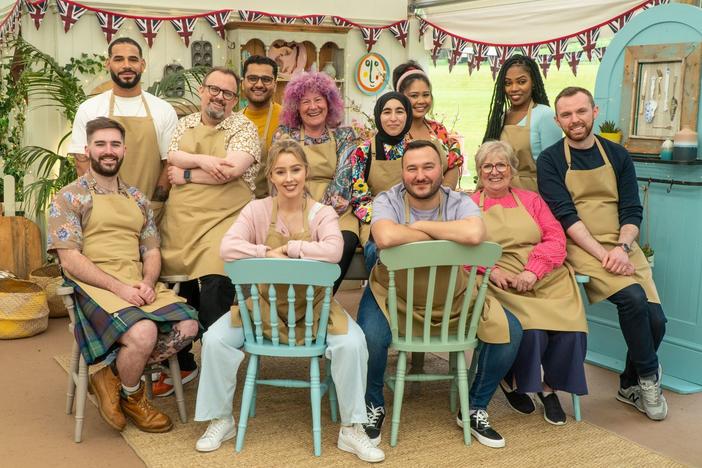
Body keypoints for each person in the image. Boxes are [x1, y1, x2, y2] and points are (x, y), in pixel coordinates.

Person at [193, 140, 385, 463]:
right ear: (271, 176)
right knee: (214, 339)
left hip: (315, 309)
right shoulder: (256, 210)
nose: (289, 178)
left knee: (354, 344)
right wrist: (265, 252)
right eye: (280, 171)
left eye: (295, 170)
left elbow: (334, 251)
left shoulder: (322, 213)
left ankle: (352, 428)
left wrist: (294, 249)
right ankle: (221, 419)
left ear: (307, 172)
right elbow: (228, 248)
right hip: (262, 306)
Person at [357, 140, 523, 448]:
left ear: (442, 169)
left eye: (428, 167)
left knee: (510, 330)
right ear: (402, 173)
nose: (420, 175)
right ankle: (373, 404)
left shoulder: (458, 201)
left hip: (454, 298)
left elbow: (475, 234)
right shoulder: (387, 199)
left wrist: (419, 230)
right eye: (412, 169)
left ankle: (474, 408)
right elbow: (384, 235)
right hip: (393, 296)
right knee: (369, 337)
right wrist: (446, 234)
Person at [48, 117, 199, 433]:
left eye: (115, 144)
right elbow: (70, 260)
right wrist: (120, 288)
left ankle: (110, 375)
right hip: (93, 285)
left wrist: (146, 282)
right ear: (88, 149)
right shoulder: (70, 197)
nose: (108, 151)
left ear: (124, 150)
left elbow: (152, 251)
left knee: (188, 327)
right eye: (100, 144)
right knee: (143, 333)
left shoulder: (137, 197)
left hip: (135, 281)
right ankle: (133, 396)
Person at [537, 87, 667, 421]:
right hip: (582, 246)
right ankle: (650, 380)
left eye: (580, 111)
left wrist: (622, 248)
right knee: (634, 300)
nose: (574, 120)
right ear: (557, 120)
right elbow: (566, 216)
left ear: (594, 112)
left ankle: (628, 384)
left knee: (656, 321)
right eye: (566, 114)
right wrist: (603, 254)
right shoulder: (550, 160)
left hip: (623, 244)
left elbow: (632, 210)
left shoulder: (618, 155)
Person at [155, 67, 260, 396]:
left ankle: (219, 367)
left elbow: (231, 171)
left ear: (235, 100)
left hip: (225, 218)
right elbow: (172, 158)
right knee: (176, 284)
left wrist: (187, 174)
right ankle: (183, 362)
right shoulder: (183, 124)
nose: (220, 97)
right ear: (202, 91)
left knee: (217, 280)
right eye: (214, 89)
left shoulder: (244, 126)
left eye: (228, 93)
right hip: (182, 219)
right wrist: (205, 161)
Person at [471, 140, 587, 425]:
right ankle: (515, 381)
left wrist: (534, 271)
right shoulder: (469, 205)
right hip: (502, 281)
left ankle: (549, 390)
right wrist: (491, 270)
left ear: (512, 169)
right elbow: (459, 247)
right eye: (488, 166)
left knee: (572, 328)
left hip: (545, 275)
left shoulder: (531, 200)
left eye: (501, 165)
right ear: (479, 171)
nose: (495, 172)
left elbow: (556, 238)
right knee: (533, 331)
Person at [69, 37, 178, 221]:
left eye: (133, 60)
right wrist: (103, 202)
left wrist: (154, 204)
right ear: (108, 64)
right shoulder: (89, 108)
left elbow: (170, 163)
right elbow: (82, 162)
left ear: (142, 65)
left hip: (150, 213)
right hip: (102, 212)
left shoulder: (163, 110)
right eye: (119, 59)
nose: (126, 65)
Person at [272, 71, 361, 292]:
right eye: (305, 101)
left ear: (329, 103)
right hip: (294, 205)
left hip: (337, 210)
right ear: (296, 107)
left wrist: (318, 217)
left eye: (318, 99)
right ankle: (298, 301)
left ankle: (322, 299)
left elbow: (343, 180)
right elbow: (279, 179)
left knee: (345, 241)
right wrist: (301, 214)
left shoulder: (345, 136)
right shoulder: (284, 135)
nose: (313, 106)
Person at [347, 91, 412, 262]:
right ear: (378, 115)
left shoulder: (415, 149)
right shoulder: (363, 151)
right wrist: (384, 217)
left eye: (399, 111)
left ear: (408, 115)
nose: (393, 118)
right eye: (386, 112)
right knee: (378, 252)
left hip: (411, 215)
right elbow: (359, 198)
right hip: (374, 217)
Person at [483, 55, 563, 191]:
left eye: (521, 82)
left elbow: (555, 169)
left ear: (533, 82)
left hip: (534, 196)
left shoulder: (545, 115)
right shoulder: (500, 119)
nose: (513, 88)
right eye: (508, 83)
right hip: (500, 193)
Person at [392, 60, 463, 189]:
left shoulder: (438, 130)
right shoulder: (394, 134)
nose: (421, 101)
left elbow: (453, 163)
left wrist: (443, 195)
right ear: (400, 98)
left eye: (426, 95)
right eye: (414, 96)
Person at [240, 55, 282, 198]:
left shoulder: (287, 119)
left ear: (275, 85)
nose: (259, 84)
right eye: (252, 78)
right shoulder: (233, 121)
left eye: (266, 79)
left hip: (273, 203)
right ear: (242, 83)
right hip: (237, 203)